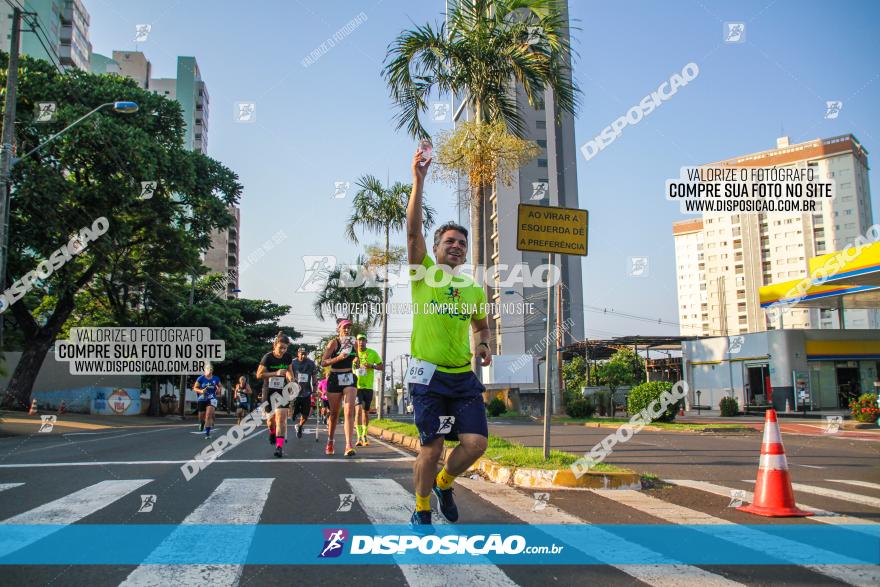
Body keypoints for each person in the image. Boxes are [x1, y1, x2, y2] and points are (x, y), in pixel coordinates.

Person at [405, 148, 491, 528]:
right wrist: (419, 180)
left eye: (461, 243)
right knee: (433, 446)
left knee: (475, 444)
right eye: (449, 242)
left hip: (462, 377)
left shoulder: (473, 289)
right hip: (429, 378)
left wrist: (484, 344)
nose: (455, 246)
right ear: (436, 249)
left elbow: (480, 325)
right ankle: (422, 508)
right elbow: (411, 234)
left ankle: (445, 484)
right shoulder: (423, 276)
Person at [320, 319, 358, 457]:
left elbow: (356, 358)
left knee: (349, 411)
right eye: (345, 328)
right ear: (339, 329)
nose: (347, 330)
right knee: (335, 414)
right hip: (335, 378)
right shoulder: (333, 343)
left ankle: (348, 445)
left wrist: (356, 361)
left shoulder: (354, 342)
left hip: (349, 377)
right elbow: (323, 362)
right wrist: (338, 358)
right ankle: (330, 441)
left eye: (349, 328)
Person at [257, 331, 294, 458]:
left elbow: (289, 371)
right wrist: (276, 373)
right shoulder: (268, 357)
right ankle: (272, 432)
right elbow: (259, 375)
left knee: (281, 419)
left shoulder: (288, 357)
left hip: (282, 391)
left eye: (285, 348)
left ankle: (279, 447)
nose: (283, 350)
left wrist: (291, 382)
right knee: (271, 421)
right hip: (269, 390)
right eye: (281, 347)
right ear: (275, 345)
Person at [351, 334, 383, 447]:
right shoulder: (352, 353)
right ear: (356, 342)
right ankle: (358, 436)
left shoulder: (373, 353)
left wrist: (371, 366)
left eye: (363, 340)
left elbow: (381, 366)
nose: (361, 342)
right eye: (359, 340)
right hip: (357, 387)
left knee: (365, 412)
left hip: (368, 387)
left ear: (366, 341)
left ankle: (365, 434)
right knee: (358, 410)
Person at [291, 347, 318, 439]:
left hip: (306, 392)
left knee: (305, 415)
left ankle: (300, 426)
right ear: (298, 354)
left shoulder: (311, 364)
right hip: (295, 392)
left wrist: (315, 390)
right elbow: (288, 374)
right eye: (301, 353)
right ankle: (295, 413)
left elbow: (314, 377)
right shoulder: (293, 363)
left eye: (305, 354)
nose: (303, 355)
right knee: (293, 413)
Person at [193, 363, 223, 439]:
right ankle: (202, 423)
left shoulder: (216, 378)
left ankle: (207, 433)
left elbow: (220, 386)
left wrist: (219, 389)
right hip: (202, 398)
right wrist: (201, 391)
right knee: (201, 417)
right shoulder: (200, 378)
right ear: (205, 370)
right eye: (207, 369)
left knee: (208, 415)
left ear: (212, 370)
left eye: (210, 369)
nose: (209, 371)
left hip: (212, 398)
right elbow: (195, 388)